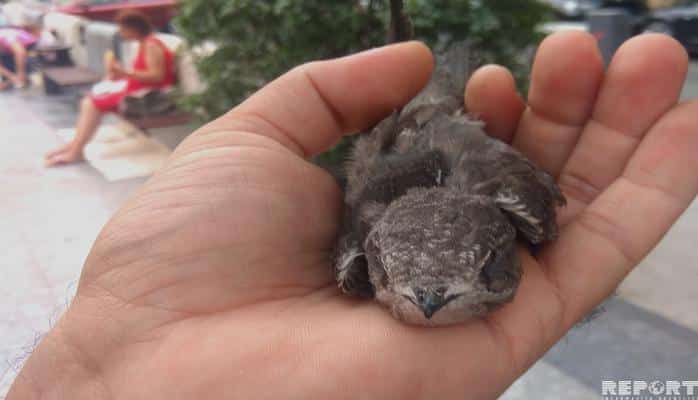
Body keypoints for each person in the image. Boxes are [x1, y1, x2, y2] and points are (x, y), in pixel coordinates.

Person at [8, 32, 698, 399]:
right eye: (395, 281)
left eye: (479, 274)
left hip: (444, 143)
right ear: (372, 264)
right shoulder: (361, 252)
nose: (428, 301)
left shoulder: (503, 200)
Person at [44, 10, 176, 167]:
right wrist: (118, 74)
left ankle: (76, 150)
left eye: (123, 29)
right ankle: (74, 146)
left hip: (148, 96)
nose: (121, 33)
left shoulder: (151, 45)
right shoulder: (144, 43)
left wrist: (124, 73)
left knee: (91, 103)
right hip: (136, 90)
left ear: (134, 28)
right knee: (89, 101)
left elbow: (157, 76)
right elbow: (142, 73)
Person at [0, 25, 38, 89]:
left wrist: (20, 73)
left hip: (30, 47)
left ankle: (24, 80)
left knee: (25, 69)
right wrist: (11, 77)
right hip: (10, 52)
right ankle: (15, 81)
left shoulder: (4, 36)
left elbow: (20, 52)